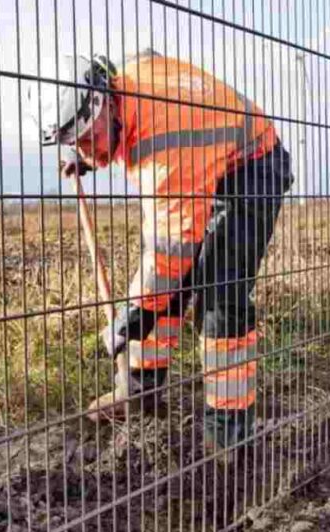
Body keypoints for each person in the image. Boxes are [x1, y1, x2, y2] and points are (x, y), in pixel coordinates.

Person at [35, 53, 293, 454]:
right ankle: (139, 398)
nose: (88, 154)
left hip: (251, 168)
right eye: (75, 143)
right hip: (206, 157)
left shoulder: (163, 145)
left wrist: (133, 315)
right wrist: (76, 151)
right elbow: (143, 58)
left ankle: (227, 432)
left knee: (219, 297)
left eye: (87, 140)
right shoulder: (116, 92)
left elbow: (172, 248)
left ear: (105, 105)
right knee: (159, 292)